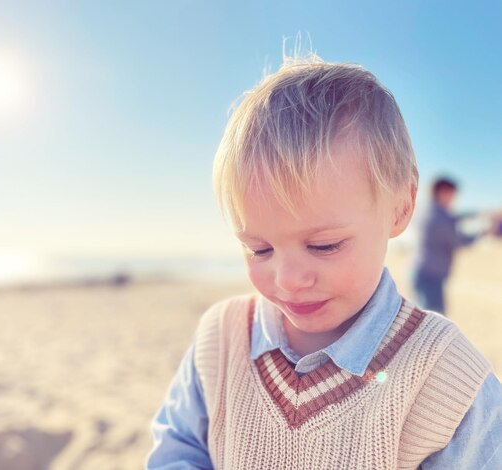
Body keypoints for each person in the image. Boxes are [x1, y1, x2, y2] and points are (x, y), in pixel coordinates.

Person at [147, 57, 501, 469]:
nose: (288, 279)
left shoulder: (445, 374)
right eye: (259, 249)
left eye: (325, 245)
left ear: (401, 207)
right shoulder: (220, 340)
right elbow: (179, 445)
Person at [411, 178, 484, 315]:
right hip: (431, 276)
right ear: (442, 192)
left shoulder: (429, 210)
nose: (453, 199)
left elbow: (450, 218)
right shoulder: (439, 217)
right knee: (435, 320)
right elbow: (459, 241)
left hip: (424, 272)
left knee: (426, 320)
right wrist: (481, 233)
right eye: (451, 194)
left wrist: (470, 214)